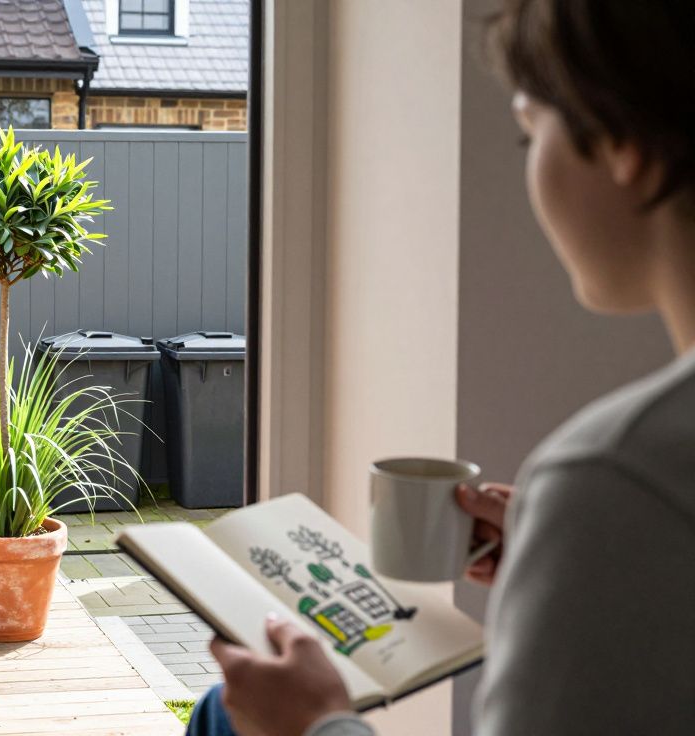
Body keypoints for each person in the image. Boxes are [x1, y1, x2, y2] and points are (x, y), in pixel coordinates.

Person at [189, 1, 695, 734]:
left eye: (529, 136)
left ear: (625, 144)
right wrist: (567, 549)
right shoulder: (625, 496)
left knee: (225, 717)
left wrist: (319, 724)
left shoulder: (613, 477)